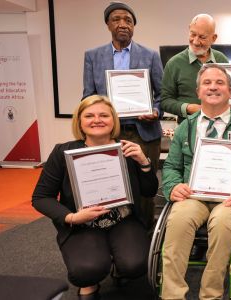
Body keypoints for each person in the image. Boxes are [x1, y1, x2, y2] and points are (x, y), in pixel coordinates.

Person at [160, 64, 231, 299]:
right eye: (207, 83)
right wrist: (172, 186)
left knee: (222, 223)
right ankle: (172, 295)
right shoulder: (186, 127)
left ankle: (210, 294)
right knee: (178, 220)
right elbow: (171, 166)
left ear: (230, 92)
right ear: (198, 91)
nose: (213, 87)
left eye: (220, 83)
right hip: (193, 196)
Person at [32, 95, 158, 299]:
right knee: (87, 270)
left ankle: (119, 266)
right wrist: (71, 218)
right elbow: (41, 197)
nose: (97, 120)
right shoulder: (63, 152)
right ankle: (90, 283)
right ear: (80, 122)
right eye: (89, 115)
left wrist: (144, 162)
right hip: (82, 223)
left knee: (135, 264)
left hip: (123, 219)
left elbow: (149, 191)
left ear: (113, 121)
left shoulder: (127, 149)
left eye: (103, 115)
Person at [82, 2, 162, 229]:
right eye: (116, 19)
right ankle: (114, 232)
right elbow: (88, 96)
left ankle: (145, 238)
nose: (123, 24)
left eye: (128, 20)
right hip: (108, 133)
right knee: (110, 185)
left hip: (144, 133)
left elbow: (162, 94)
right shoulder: (92, 56)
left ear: (134, 26)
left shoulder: (150, 55)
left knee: (146, 188)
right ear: (108, 25)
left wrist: (156, 111)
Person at [161, 14, 229, 123]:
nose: (196, 41)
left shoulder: (222, 61)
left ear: (214, 38)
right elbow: (165, 100)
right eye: (193, 35)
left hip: (220, 126)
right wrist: (187, 108)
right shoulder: (174, 64)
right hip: (187, 129)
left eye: (202, 37)